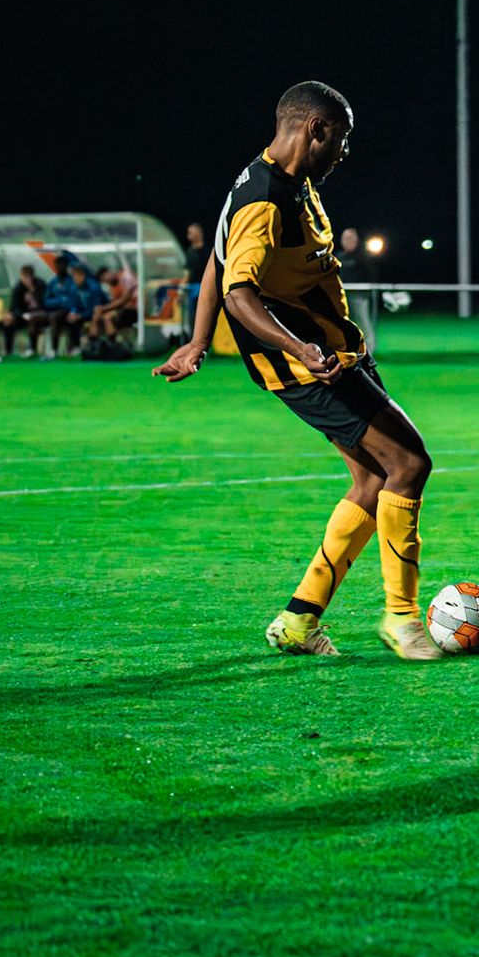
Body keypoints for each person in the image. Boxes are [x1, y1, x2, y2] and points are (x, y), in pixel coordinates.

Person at [154, 82, 443, 660]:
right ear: (317, 128)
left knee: (372, 480)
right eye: (343, 139)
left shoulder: (281, 183)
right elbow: (240, 292)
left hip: (334, 355)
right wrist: (303, 350)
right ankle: (403, 619)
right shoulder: (264, 199)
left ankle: (297, 622)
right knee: (409, 464)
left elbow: (216, 260)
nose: (344, 152)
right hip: (311, 366)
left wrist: (196, 340)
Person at [47, 262, 106, 356]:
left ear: (82, 275)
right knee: (69, 319)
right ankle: (71, 348)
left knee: (78, 320)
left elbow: (96, 308)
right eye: (73, 276)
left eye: (76, 276)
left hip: (97, 313)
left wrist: (80, 315)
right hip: (83, 314)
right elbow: (73, 304)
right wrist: (73, 313)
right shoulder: (74, 288)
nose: (74, 279)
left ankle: (96, 347)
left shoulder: (93, 287)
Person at [0, 264, 52, 357]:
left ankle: (33, 350)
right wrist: (19, 315)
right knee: (8, 324)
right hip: (23, 316)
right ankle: (8, 352)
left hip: (41, 316)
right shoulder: (18, 287)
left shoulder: (41, 285)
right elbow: (14, 306)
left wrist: (32, 289)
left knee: (34, 322)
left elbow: (45, 303)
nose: (25, 279)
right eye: (24, 276)